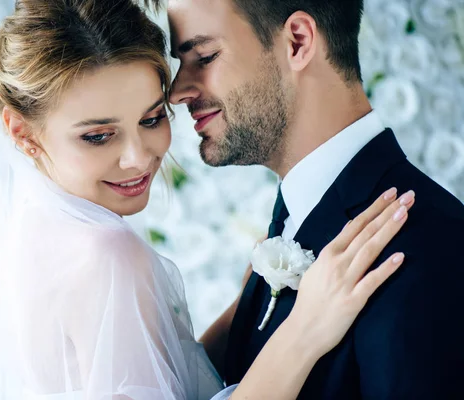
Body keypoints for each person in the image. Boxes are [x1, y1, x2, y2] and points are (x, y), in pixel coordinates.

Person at [0, 1, 413, 398]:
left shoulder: (34, 226)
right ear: (22, 134)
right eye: (98, 136)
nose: (137, 158)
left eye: (150, 119)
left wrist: (247, 305)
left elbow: (152, 376)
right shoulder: (104, 255)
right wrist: (305, 328)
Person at [166, 0, 464, 397]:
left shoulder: (429, 248)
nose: (177, 92)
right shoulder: (287, 224)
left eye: (204, 56)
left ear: (297, 41)